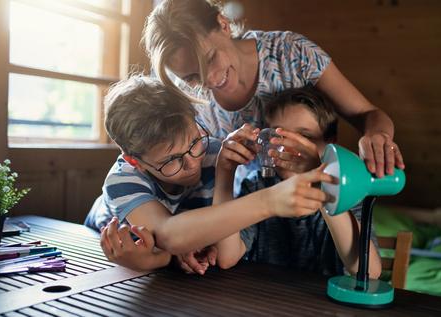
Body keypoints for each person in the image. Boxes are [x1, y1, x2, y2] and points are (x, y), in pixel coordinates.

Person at [142, 0, 405, 189]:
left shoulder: (292, 54)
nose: (209, 81)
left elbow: (367, 114)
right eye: (191, 77)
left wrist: (377, 135)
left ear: (223, 24)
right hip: (245, 219)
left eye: (210, 59)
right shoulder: (189, 102)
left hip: (313, 198)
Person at [85, 75, 334, 274]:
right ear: (135, 161)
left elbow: (213, 232)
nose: (193, 163)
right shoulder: (123, 180)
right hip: (102, 240)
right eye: (171, 161)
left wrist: (172, 255)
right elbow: (168, 234)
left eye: (194, 142)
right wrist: (269, 201)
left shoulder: (213, 152)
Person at [214, 86, 381, 277]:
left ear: (330, 144)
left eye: (305, 137)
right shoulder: (256, 186)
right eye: (278, 137)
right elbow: (226, 257)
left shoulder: (349, 192)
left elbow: (369, 270)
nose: (288, 148)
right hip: (263, 299)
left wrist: (321, 181)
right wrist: (225, 172)